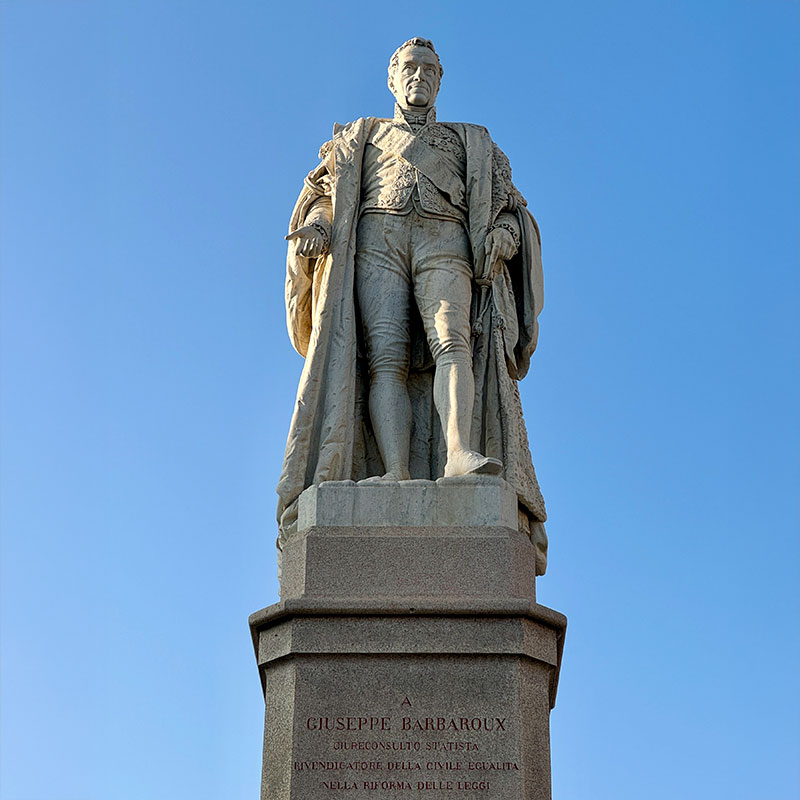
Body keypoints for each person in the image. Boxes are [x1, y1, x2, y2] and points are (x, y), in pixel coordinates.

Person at [278, 37, 548, 574]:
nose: (418, 77)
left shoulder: (472, 142)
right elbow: (327, 196)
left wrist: (505, 235)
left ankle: (457, 455)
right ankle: (395, 469)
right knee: (385, 359)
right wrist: (318, 226)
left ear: (440, 80)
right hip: (376, 240)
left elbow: (510, 209)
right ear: (391, 78)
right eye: (409, 68)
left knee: (453, 341)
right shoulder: (360, 137)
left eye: (428, 70)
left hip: (446, 239)